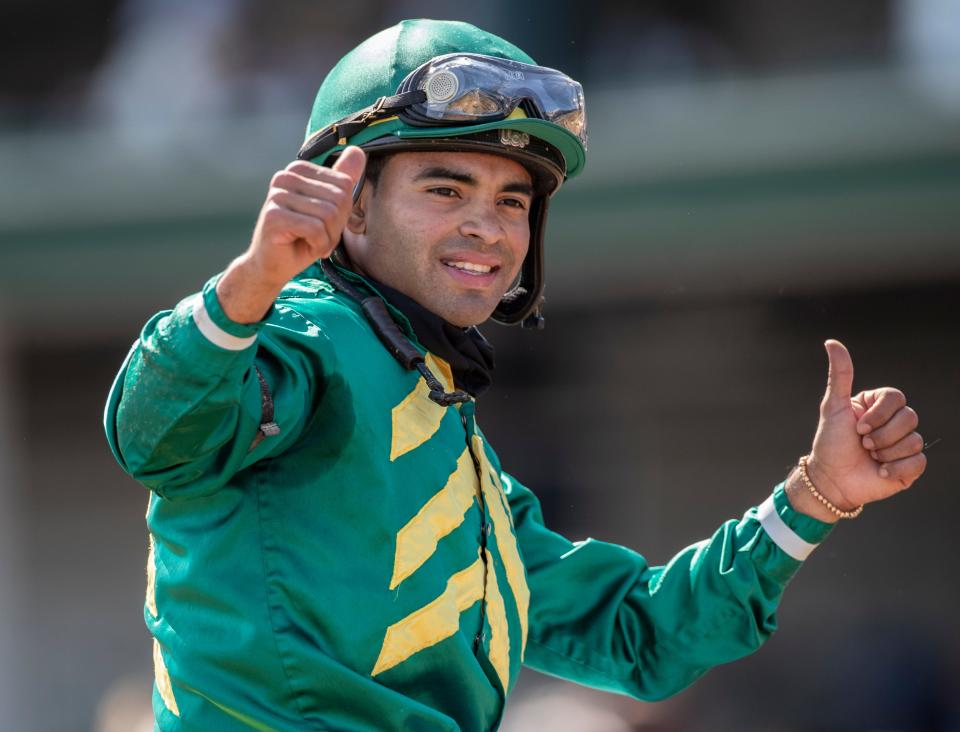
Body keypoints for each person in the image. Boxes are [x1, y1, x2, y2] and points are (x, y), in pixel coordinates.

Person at [103, 19, 927, 732]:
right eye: (446, 186)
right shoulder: (304, 334)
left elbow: (636, 636)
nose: (486, 227)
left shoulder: (455, 449)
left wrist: (819, 493)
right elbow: (155, 436)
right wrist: (250, 283)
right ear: (348, 203)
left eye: (512, 201)